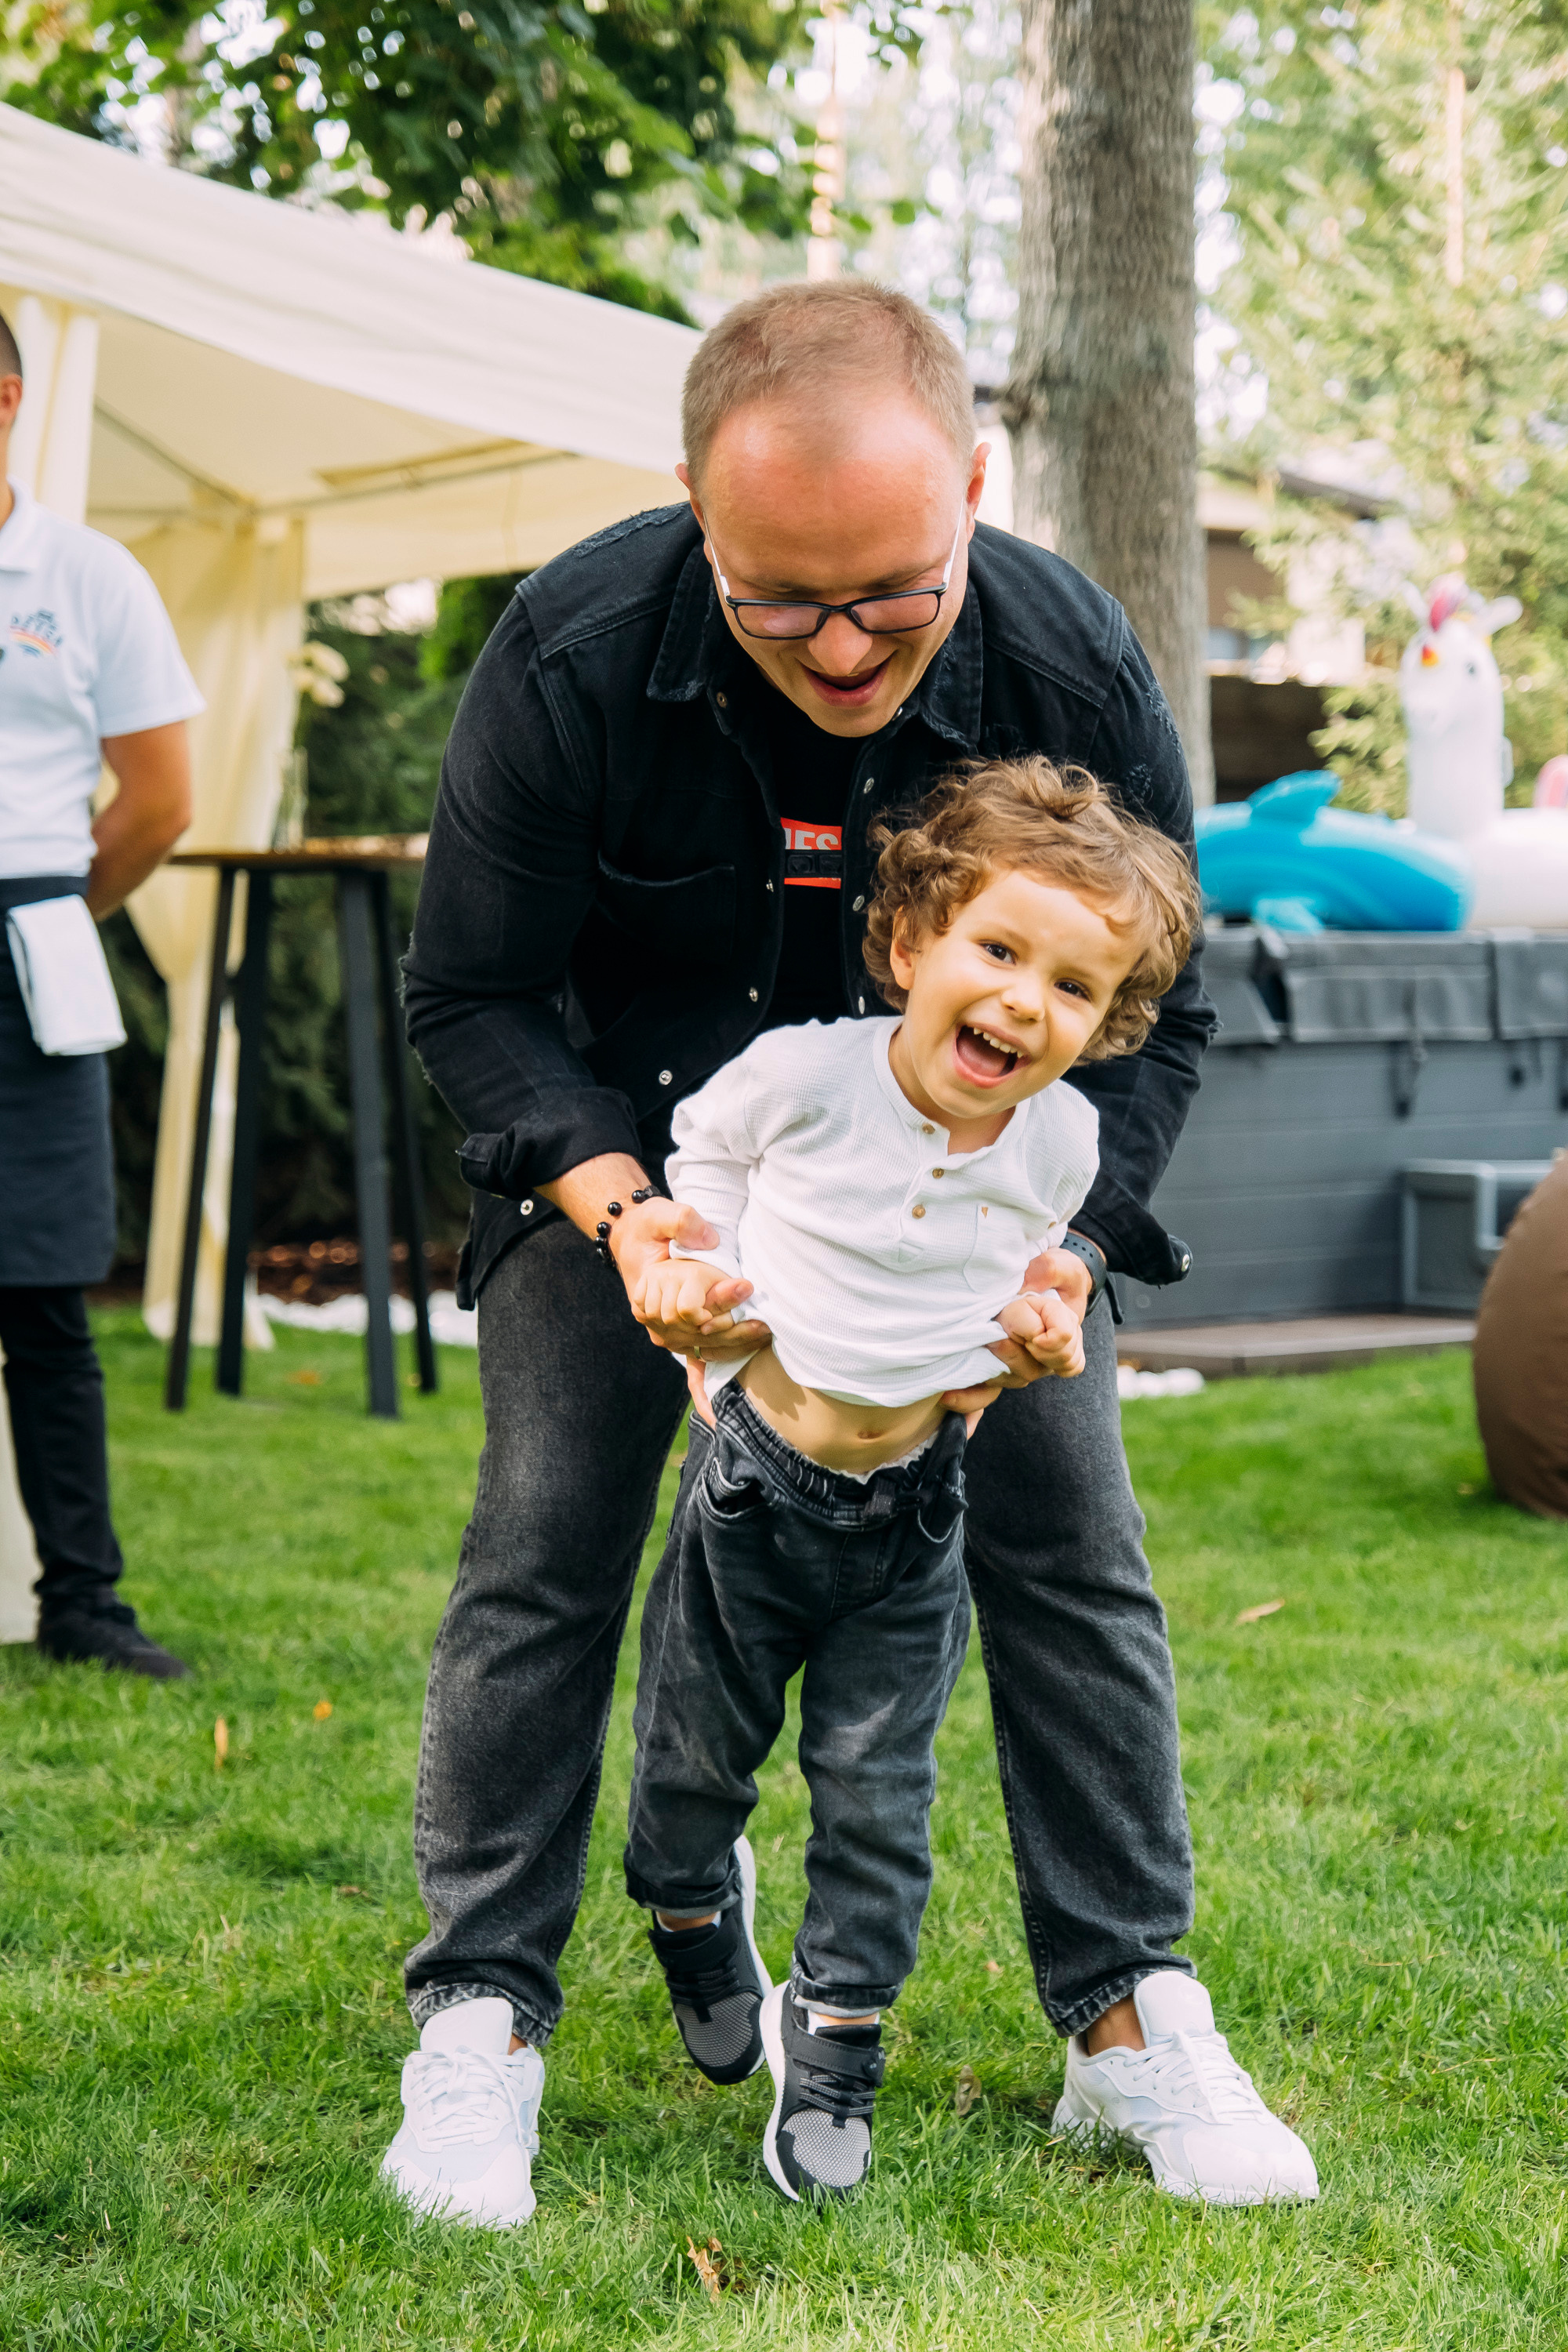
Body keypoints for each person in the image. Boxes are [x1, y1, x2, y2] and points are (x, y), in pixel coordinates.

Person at [386, 278, 1319, 2226]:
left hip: (977, 1176)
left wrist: (1062, 1250)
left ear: (972, 491)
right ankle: (481, 2017)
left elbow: (1170, 998)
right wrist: (631, 1212)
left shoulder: (1066, 657)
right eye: (777, 599)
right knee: (546, 1548)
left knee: (1070, 1546)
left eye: (893, 594)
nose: (838, 648)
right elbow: (474, 992)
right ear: (690, 513)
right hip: (651, 1151)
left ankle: (1127, 2017)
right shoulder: (568, 649)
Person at [618, 759, 1245, 2205]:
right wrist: (698, 1263)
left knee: (879, 1807)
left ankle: (837, 2046)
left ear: (1103, 1028)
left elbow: (1033, 1271)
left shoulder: (1066, 1139)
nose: (1029, 1003)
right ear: (911, 948)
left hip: (912, 1521)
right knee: (686, 1771)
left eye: (1075, 989)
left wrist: (1036, 1325)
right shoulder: (803, 1080)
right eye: (1001, 952)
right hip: (750, 1494)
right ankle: (688, 1903)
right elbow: (698, 1151)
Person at [0, 307, 203, 1678]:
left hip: (34, 941)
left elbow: (159, 798)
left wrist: (58, 911)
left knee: (45, 1297)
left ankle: (82, 1602)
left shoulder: (86, 576)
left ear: (7, 402)